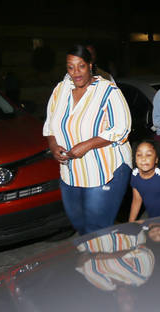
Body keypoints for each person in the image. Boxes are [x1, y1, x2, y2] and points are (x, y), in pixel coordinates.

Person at [44, 43, 132, 234]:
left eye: (81, 66)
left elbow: (121, 128)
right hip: (70, 171)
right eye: (70, 67)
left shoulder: (108, 90)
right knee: (79, 224)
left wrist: (87, 145)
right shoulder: (61, 89)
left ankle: (101, 261)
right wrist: (53, 144)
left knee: (97, 228)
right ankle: (93, 260)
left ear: (90, 65)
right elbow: (50, 123)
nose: (76, 72)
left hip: (104, 171)